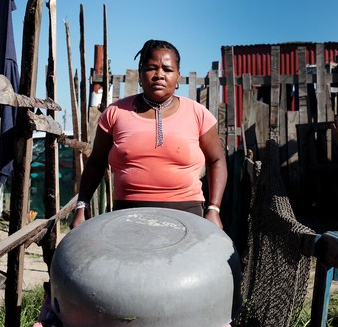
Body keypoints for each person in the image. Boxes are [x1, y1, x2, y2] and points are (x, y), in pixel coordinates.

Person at [71, 39, 227, 229]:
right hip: (127, 217)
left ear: (178, 77)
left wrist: (214, 208)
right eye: (151, 68)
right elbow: (96, 162)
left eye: (167, 70)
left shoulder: (197, 114)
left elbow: (217, 161)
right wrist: (81, 207)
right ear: (140, 74)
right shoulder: (115, 113)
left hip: (187, 218)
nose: (159, 75)